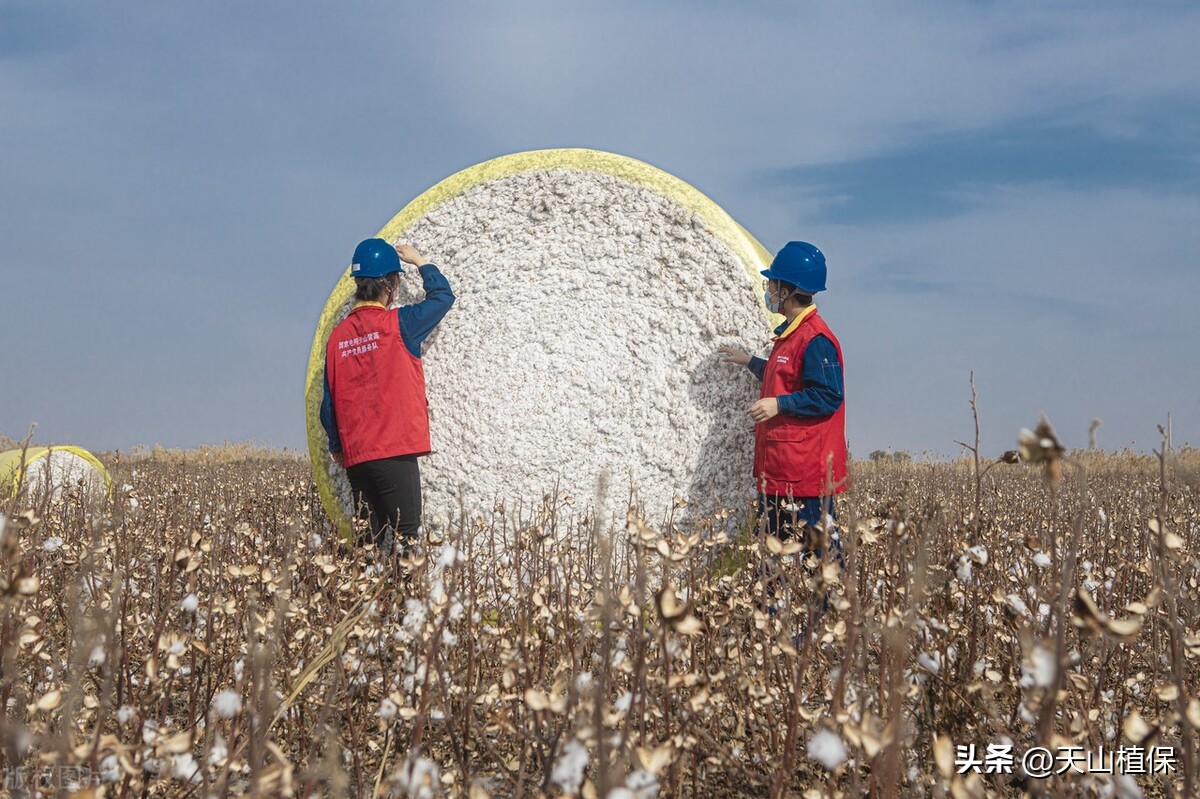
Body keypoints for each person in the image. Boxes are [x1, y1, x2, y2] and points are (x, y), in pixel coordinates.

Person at [320, 238, 454, 556]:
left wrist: (338, 447)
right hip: (394, 452)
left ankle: (363, 601)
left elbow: (328, 404)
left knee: (369, 541)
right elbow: (442, 298)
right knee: (406, 537)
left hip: (357, 459)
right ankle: (403, 604)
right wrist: (421, 261)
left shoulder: (337, 337)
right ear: (391, 284)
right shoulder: (399, 325)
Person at [718, 240, 846, 562]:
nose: (769, 290)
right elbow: (783, 376)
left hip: (803, 477)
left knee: (821, 562)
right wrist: (748, 361)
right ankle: (777, 610)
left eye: (772, 284)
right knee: (776, 559)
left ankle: (830, 612)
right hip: (780, 470)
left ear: (787, 291)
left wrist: (779, 404)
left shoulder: (815, 339)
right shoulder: (790, 336)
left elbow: (829, 394)